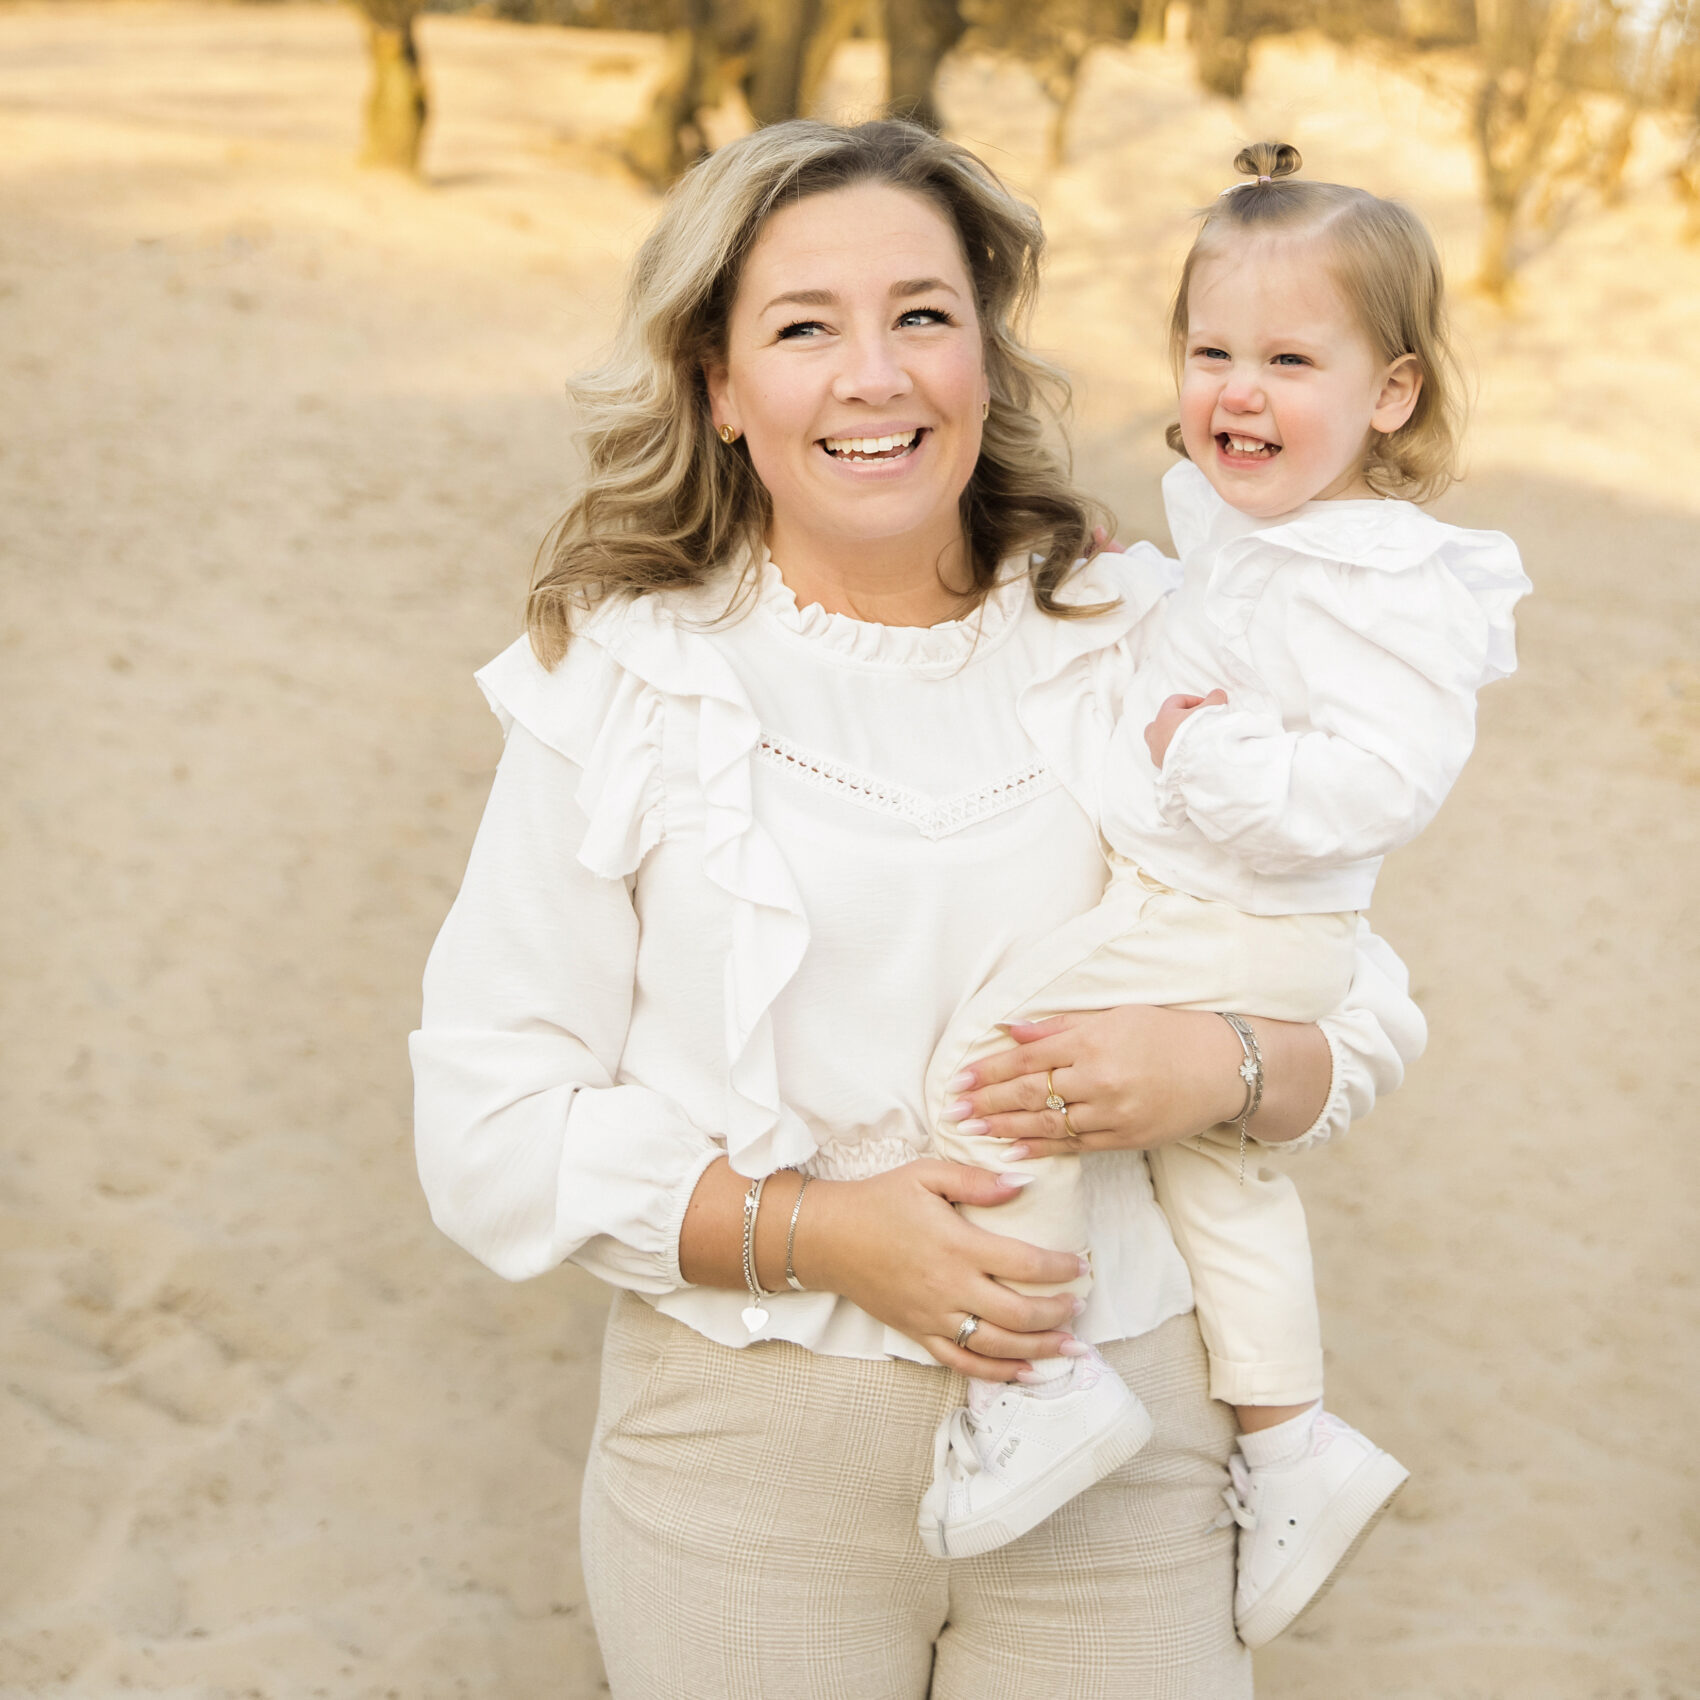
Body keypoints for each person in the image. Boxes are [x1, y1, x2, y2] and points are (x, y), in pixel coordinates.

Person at [410, 118, 1427, 1698]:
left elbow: (1355, 1004)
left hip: (1132, 1462)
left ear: (986, 360)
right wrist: (826, 1234)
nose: (875, 375)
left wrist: (1214, 1065)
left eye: (924, 315)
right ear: (721, 389)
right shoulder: (622, 681)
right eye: (805, 328)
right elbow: (487, 1128)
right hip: (744, 1472)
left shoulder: (1135, 631)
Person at [915, 141, 1530, 1650]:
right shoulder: (1266, 538)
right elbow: (1217, 635)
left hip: (1245, 918)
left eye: (1288, 360)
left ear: (1390, 392)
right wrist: (1153, 606)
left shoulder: (1381, 582)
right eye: (1211, 353)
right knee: (1222, 1181)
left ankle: (1041, 1383)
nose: (1237, 392)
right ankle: (1291, 1443)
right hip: (1245, 919)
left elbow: (1378, 785)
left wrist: (1211, 744)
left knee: (1002, 1066)